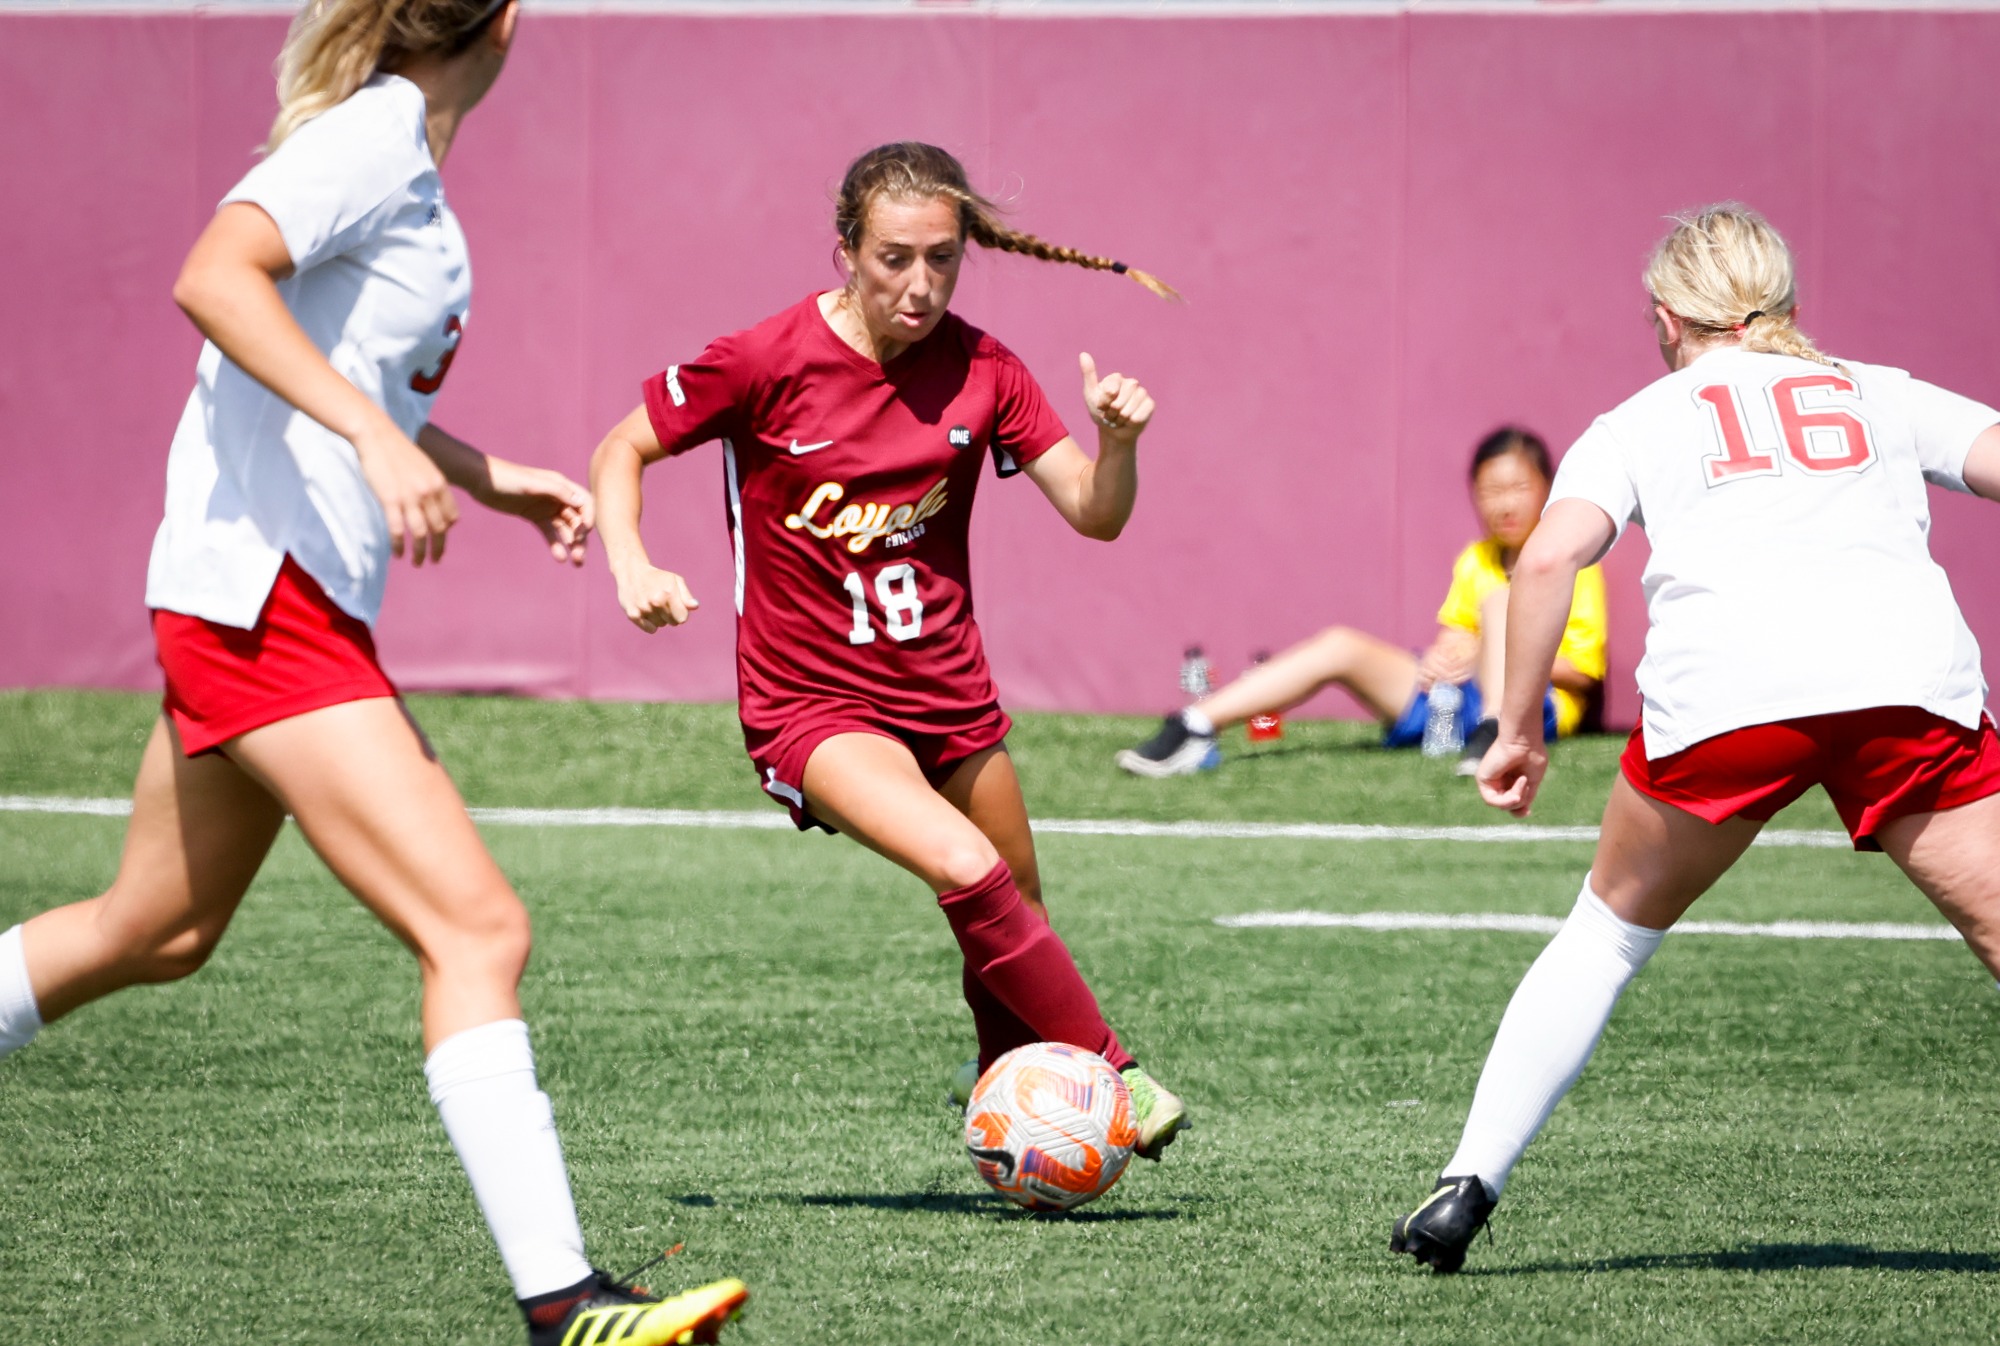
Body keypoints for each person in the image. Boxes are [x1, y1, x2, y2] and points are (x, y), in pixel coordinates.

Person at [0, 3, 747, 1340]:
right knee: (479, 929)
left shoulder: (395, 148)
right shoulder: (374, 136)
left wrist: (477, 468)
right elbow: (216, 278)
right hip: (263, 602)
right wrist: (378, 441)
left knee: (153, 929)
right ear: (506, 22)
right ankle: (567, 1303)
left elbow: (345, 362)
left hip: (257, 597)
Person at [1392, 204, 2000, 1273]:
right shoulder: (1879, 391)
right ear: (1787, 306)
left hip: (1726, 691)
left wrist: (1516, 729)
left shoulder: (1640, 417)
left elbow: (1542, 564)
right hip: (1900, 680)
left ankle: (1463, 1186)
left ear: (1666, 315)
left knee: (1604, 934)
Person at [590, 141, 1190, 1158]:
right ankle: (1111, 1075)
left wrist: (1119, 444)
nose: (918, 285)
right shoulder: (764, 360)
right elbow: (622, 447)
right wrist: (630, 561)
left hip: (949, 694)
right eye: (893, 258)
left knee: (1013, 906)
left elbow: (1094, 512)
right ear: (844, 253)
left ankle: (1014, 1117)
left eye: (941, 260)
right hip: (812, 705)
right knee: (964, 867)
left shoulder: (987, 367)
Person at [1117, 428, 1607, 777]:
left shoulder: (1573, 560)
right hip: (1453, 703)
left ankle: (1496, 733)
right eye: (1490, 491)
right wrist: (1445, 655)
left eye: (1518, 489)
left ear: (1548, 489)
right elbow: (1456, 633)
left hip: (1530, 707)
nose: (1504, 505)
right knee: (1339, 644)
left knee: (1501, 601)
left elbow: (1583, 674)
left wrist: (1487, 657)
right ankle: (1195, 724)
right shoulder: (1475, 558)